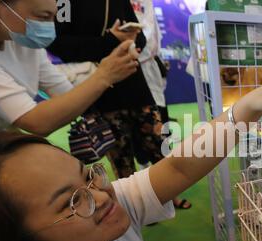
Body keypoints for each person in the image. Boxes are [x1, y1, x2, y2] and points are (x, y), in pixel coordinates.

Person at [0, 74, 262, 241]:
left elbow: (178, 168)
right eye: (71, 202)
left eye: (89, 176)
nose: (102, 196)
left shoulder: (112, 211)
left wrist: (251, 106)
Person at [48, 0, 192, 209]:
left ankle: (170, 194)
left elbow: (140, 37)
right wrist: (109, 41)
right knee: (120, 156)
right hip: (99, 88)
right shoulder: (66, 3)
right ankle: (137, 205)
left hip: (134, 82)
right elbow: (59, 45)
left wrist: (133, 39)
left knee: (157, 142)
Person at [0, 0, 139, 136]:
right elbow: (36, 122)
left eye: (52, 18)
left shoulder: (24, 43)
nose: (49, 27)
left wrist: (106, 72)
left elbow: (64, 91)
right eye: (42, 17)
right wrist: (104, 75)